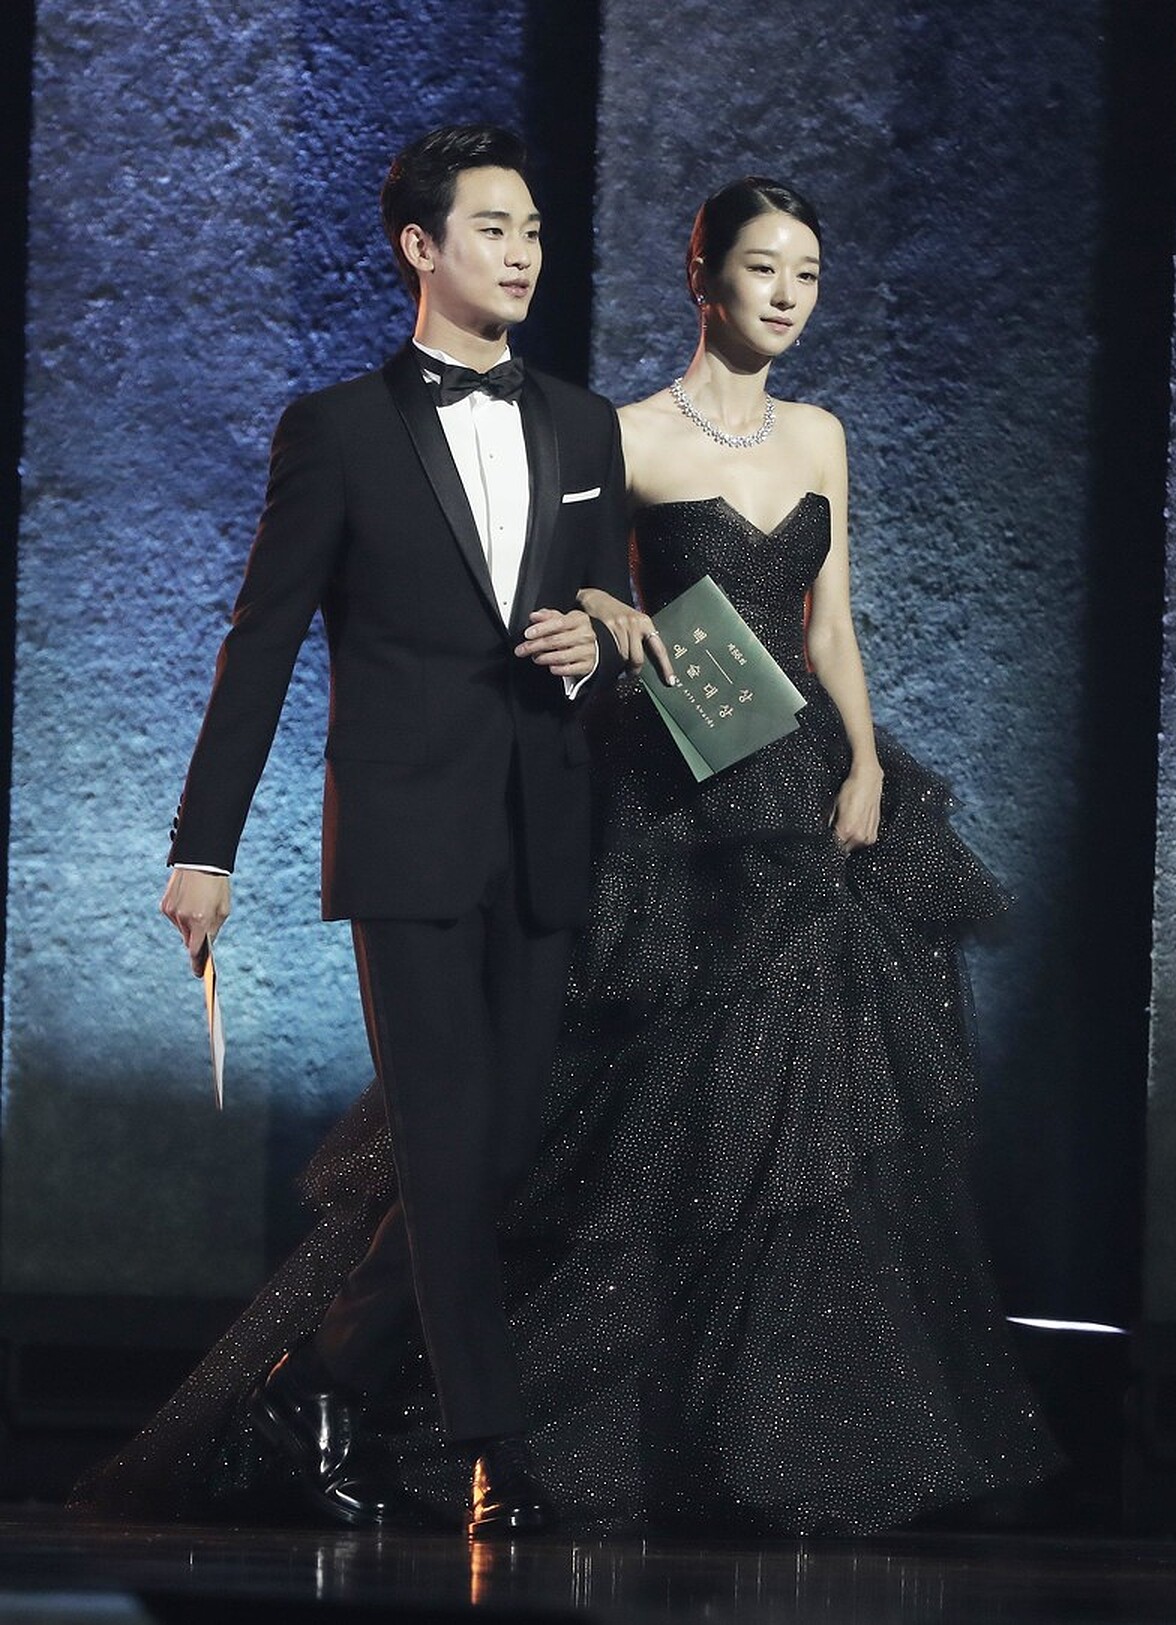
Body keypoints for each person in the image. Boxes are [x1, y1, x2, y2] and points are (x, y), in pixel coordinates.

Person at [75, 175, 1058, 1535]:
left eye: (809, 274)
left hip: (782, 795)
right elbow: (488, 605)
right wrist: (211, 846)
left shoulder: (777, 432)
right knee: (529, 1132)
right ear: (702, 274)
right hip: (648, 805)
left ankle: (725, 1430)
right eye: (764, 268)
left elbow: (823, 623)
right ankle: (470, 1428)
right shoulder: (605, 431)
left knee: (747, 1132)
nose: (788, 295)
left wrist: (866, 761)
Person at [152, 122, 651, 1539]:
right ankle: (495, 1447)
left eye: (535, 229)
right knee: (441, 1142)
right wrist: (204, 848)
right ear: (420, 248)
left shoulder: (584, 425)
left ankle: (319, 1381)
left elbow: (604, 616)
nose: (525, 252)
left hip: (543, 823)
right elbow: (259, 645)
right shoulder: (338, 430)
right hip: (405, 832)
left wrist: (594, 649)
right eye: (495, 227)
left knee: (499, 1147)